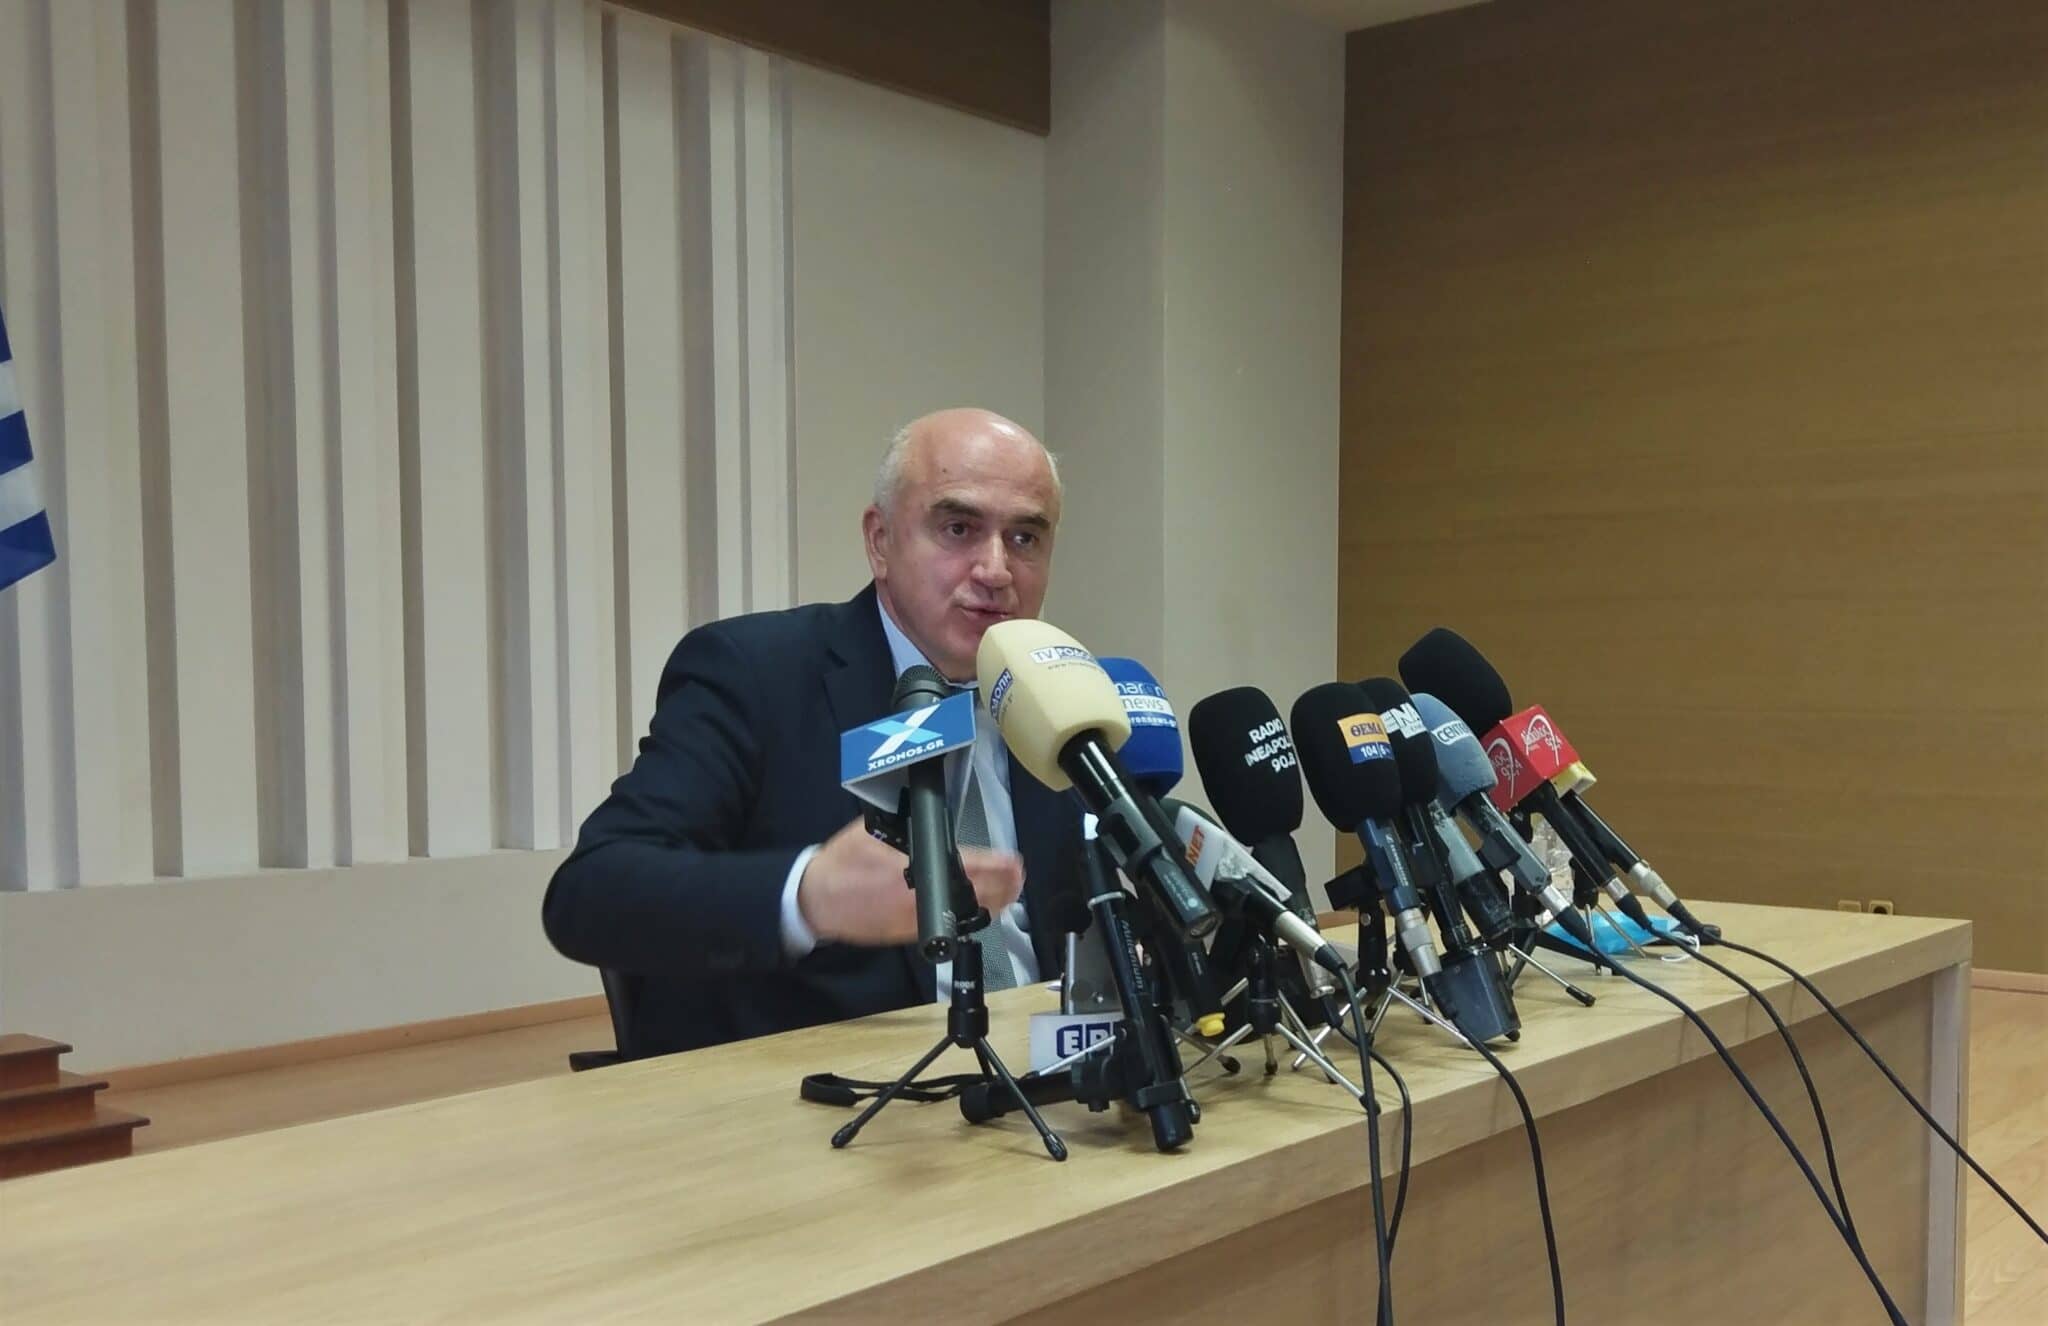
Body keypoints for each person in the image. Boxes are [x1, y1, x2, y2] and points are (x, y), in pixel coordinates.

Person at [543, 408, 1078, 1058]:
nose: (996, 570)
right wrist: (809, 894)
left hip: (1053, 1077)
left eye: (1025, 538)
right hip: (840, 1090)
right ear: (880, 541)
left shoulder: (1057, 699)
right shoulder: (757, 675)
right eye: (958, 528)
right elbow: (591, 893)